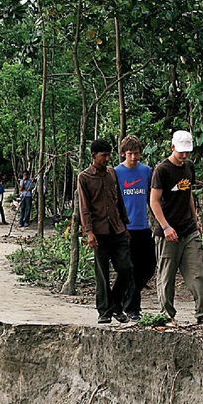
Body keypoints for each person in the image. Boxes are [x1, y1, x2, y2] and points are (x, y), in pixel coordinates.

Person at [149, 130, 203, 324]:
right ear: (172, 148)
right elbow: (154, 201)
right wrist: (166, 227)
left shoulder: (189, 167)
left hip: (188, 229)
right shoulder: (162, 170)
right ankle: (166, 314)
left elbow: (188, 196)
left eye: (187, 151)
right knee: (166, 276)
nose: (184, 155)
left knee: (198, 272)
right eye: (181, 152)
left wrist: (196, 221)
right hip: (167, 232)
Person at [77, 138, 134, 325]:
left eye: (109, 155)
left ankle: (116, 304)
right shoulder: (84, 177)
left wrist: (125, 224)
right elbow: (84, 207)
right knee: (102, 274)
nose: (107, 158)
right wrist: (89, 232)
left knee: (126, 269)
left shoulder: (111, 173)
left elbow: (119, 200)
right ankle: (104, 311)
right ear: (94, 156)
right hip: (99, 232)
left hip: (117, 229)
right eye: (104, 155)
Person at [114, 135, 155, 321]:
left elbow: (151, 198)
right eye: (130, 154)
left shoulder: (146, 171)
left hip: (143, 226)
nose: (134, 157)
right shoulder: (115, 173)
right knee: (129, 268)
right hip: (125, 228)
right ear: (123, 153)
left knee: (148, 266)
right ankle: (132, 308)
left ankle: (123, 300)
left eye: (137, 153)